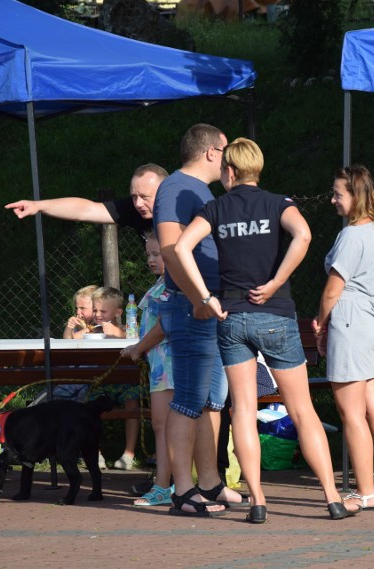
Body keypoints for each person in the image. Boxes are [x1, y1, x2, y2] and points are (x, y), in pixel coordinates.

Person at [174, 136, 361, 522]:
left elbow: (179, 248)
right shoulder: (279, 203)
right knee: (302, 409)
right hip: (275, 314)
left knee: (242, 409)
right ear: (257, 168)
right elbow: (304, 235)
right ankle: (332, 498)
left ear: (228, 171)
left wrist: (205, 297)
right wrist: (277, 281)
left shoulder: (215, 208)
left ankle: (257, 501)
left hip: (231, 315)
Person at [153, 123, 246, 518]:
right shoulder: (175, 188)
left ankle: (208, 481)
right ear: (211, 152)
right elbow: (172, 249)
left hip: (207, 306)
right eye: (225, 151)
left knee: (208, 401)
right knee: (188, 399)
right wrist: (199, 299)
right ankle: (183, 490)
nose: (228, 159)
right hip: (193, 307)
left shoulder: (198, 190)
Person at [312, 165, 374, 511]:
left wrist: (320, 323)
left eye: (339, 193)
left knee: (351, 413)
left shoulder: (351, 235)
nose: (333, 199)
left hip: (351, 318)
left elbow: (332, 291)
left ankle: (366, 491)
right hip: (373, 321)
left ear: (356, 196)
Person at [120, 231, 175, 505]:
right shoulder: (161, 284)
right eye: (148, 255)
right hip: (159, 365)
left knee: (164, 425)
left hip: (169, 364)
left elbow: (164, 326)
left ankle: (166, 484)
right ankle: (168, 483)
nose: (151, 260)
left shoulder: (171, 286)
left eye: (157, 255)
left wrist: (138, 348)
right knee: (161, 424)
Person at [5, 164, 169, 240]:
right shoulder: (134, 210)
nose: (138, 204)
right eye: (134, 196)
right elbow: (85, 210)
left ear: (165, 192)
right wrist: (39, 205)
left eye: (145, 197)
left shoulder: (185, 211)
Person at [90, 286, 141, 470]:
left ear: (118, 312)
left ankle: (129, 453)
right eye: (95, 310)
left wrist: (116, 334)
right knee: (90, 405)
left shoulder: (125, 328)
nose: (97, 314)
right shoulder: (89, 332)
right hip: (101, 383)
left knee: (132, 403)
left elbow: (134, 338)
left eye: (103, 311)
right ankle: (94, 452)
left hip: (124, 383)